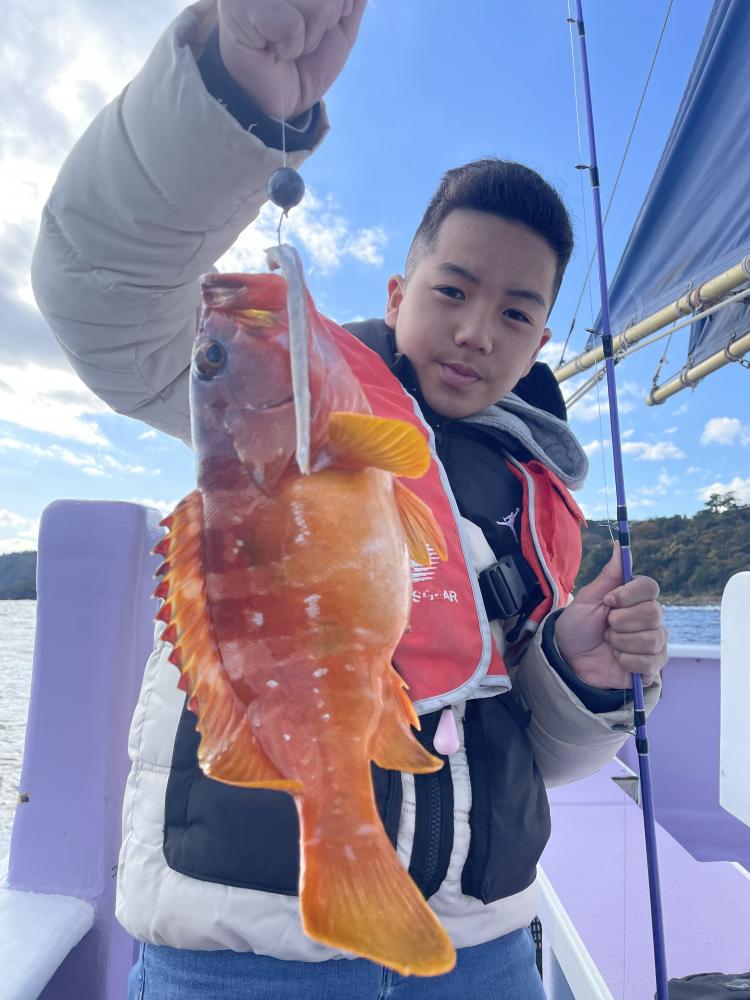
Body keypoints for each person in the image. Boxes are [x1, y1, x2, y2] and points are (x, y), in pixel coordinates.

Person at [31, 2, 668, 997]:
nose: (476, 330)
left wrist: (580, 681)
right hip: (246, 952)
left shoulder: (531, 499)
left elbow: (523, 745)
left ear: (540, 343)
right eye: (452, 290)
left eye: (514, 312)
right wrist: (229, 101)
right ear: (398, 289)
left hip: (482, 948)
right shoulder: (283, 401)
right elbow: (101, 289)